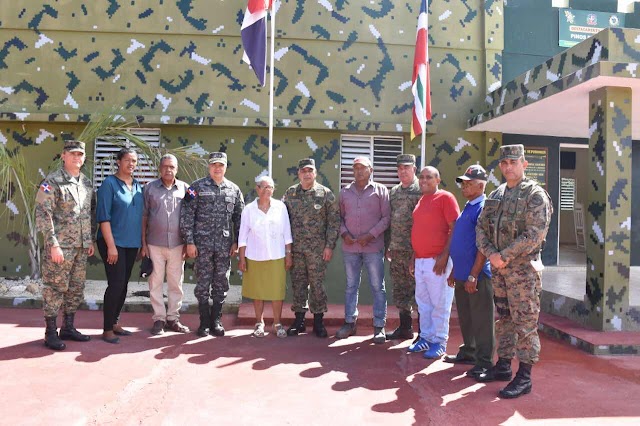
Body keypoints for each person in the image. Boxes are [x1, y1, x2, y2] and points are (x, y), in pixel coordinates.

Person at [476, 144, 552, 399]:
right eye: (504, 163)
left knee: (525, 322)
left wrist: (504, 255)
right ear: (500, 166)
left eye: (514, 162)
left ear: (524, 164)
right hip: (499, 270)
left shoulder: (535, 195)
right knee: (504, 318)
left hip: (522, 272)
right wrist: (491, 254)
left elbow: (535, 234)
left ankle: (525, 376)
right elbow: (480, 228)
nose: (509, 167)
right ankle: (503, 365)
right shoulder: (496, 194)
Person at [35, 140, 96, 350]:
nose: (76, 158)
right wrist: (53, 244)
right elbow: (44, 213)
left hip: (80, 246)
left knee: (76, 288)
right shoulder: (52, 182)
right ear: (63, 156)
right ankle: (50, 333)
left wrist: (89, 240)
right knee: (55, 288)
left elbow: (89, 214)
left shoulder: (86, 184)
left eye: (80, 154)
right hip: (60, 247)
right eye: (72, 154)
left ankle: (68, 327)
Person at [180, 152, 244, 337]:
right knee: (203, 283)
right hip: (202, 245)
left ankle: (216, 320)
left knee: (221, 282)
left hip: (224, 246)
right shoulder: (196, 187)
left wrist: (237, 241)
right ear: (209, 167)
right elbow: (186, 215)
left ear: (225, 167)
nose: (217, 168)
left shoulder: (234, 189)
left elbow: (240, 218)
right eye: (214, 165)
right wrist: (189, 242)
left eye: (221, 165)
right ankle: (204, 322)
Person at [445, 165, 494, 379]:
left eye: (468, 183)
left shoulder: (483, 207)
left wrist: (474, 274)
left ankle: (484, 362)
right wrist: (455, 270)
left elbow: (483, 247)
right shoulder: (468, 206)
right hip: (463, 274)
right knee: (466, 317)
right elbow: (461, 242)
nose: (463, 186)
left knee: (482, 320)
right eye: (462, 182)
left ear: (481, 185)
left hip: (478, 276)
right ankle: (469, 352)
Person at [282, 158, 340, 338]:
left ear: (315, 173)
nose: (307, 174)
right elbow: (283, 222)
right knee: (298, 285)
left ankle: (318, 322)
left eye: (310, 170)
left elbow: (334, 222)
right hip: (296, 249)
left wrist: (329, 246)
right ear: (298, 173)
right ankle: (299, 321)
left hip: (317, 250)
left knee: (317, 286)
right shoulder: (290, 194)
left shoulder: (325, 194)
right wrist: (287, 250)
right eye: (303, 171)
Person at [336, 156, 390, 344]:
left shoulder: (381, 191)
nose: (359, 171)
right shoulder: (344, 192)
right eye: (356, 168)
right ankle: (350, 323)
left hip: (373, 247)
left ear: (371, 170)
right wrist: (344, 234)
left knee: (377, 286)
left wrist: (370, 235)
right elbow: (339, 218)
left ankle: (379, 326)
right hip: (350, 248)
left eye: (363, 167)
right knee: (351, 286)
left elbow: (386, 218)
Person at [408, 166, 460, 359]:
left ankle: (439, 341)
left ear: (438, 180)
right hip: (421, 261)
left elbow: (454, 228)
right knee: (423, 304)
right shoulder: (421, 201)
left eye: (429, 177)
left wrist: (445, 256)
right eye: (421, 177)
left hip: (437, 261)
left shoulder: (445, 198)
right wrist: (414, 256)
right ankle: (426, 337)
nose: (424, 180)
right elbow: (420, 231)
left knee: (440, 304)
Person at [96, 147, 144, 344]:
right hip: (112, 242)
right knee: (115, 284)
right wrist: (111, 246)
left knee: (124, 284)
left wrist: (141, 243)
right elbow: (103, 217)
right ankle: (107, 329)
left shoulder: (139, 185)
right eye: (127, 160)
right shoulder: (109, 184)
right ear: (118, 162)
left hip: (131, 243)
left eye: (134, 161)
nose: (131, 164)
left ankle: (115, 323)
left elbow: (141, 216)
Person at [141, 154, 190, 335]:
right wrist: (143, 243)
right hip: (154, 244)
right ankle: (159, 319)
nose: (168, 170)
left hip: (178, 245)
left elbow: (190, 216)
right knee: (155, 282)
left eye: (172, 167)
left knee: (176, 283)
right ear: (160, 169)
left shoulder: (185, 189)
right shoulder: (149, 189)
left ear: (176, 169)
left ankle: (173, 318)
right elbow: (144, 216)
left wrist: (188, 242)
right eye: (165, 167)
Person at [238, 176, 293, 338]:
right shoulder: (248, 209)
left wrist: (288, 255)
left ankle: (277, 323)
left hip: (277, 256)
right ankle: (259, 323)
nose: (267, 190)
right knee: (258, 291)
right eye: (264, 187)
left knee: (277, 291)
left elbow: (287, 233)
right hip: (255, 256)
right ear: (257, 189)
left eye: (270, 187)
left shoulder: (280, 207)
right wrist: (242, 259)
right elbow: (242, 236)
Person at [385, 154, 422, 341]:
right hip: (397, 250)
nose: (403, 171)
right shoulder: (394, 192)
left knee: (419, 291)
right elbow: (391, 221)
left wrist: (418, 251)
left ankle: (423, 332)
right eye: (400, 168)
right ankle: (405, 327)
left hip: (415, 251)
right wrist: (389, 245)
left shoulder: (421, 190)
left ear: (414, 169)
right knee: (400, 289)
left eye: (406, 168)